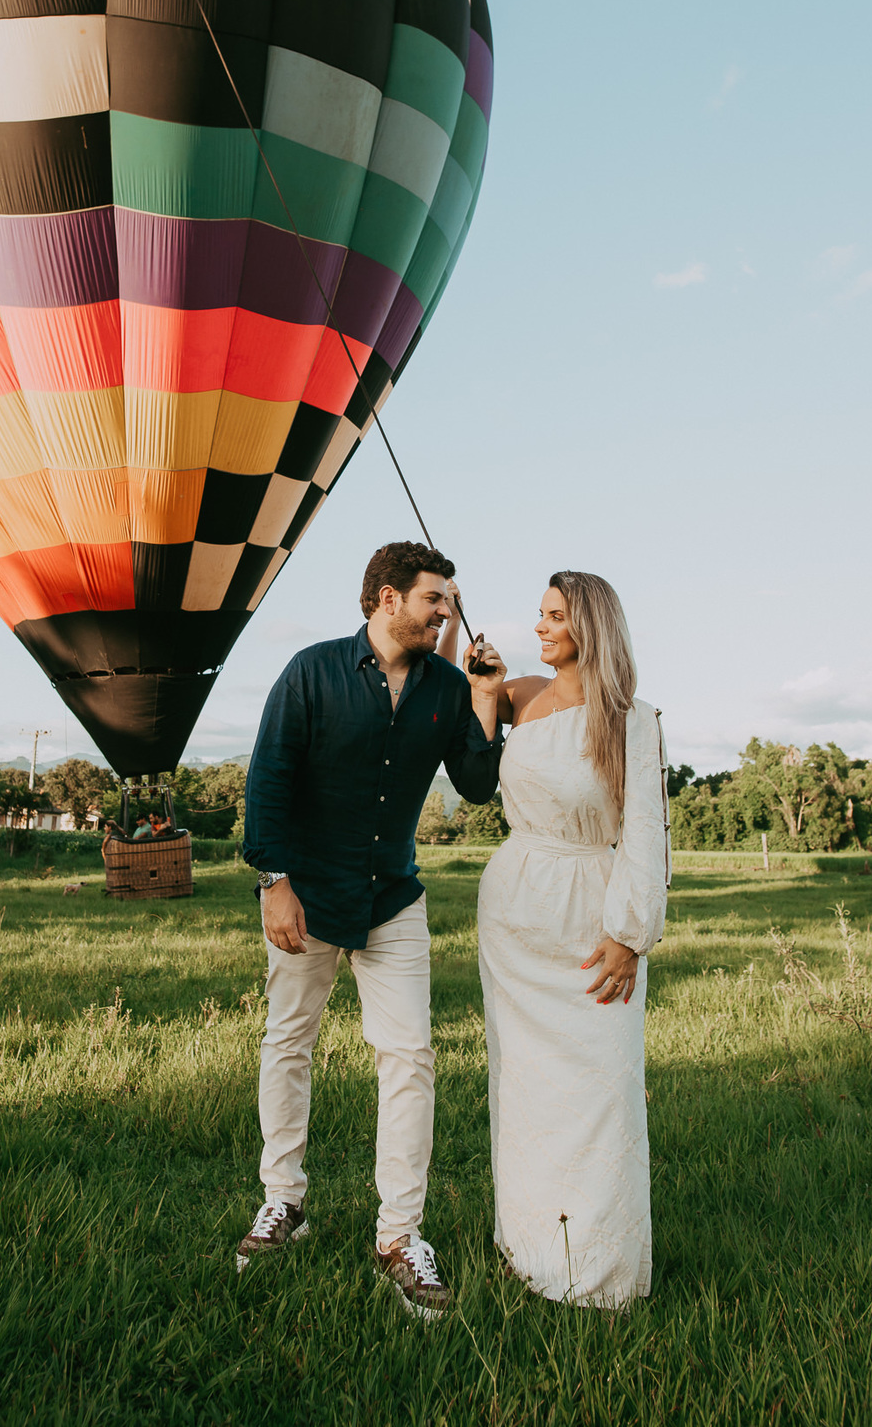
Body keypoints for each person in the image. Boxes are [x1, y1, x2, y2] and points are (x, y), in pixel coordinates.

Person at [237, 542, 506, 1319]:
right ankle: (283, 1202)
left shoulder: (447, 688)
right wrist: (274, 881)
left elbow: (478, 786)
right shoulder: (312, 671)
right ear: (387, 600)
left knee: (410, 1060)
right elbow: (269, 776)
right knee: (288, 1041)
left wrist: (485, 698)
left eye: (449, 599)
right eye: (435, 598)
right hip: (308, 897)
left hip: (393, 898)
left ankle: (399, 1236)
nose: (447, 611)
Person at [445, 570, 668, 1307]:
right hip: (513, 914)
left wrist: (629, 936)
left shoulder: (629, 718)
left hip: (589, 919)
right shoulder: (522, 696)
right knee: (524, 1088)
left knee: (599, 1090)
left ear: (591, 629)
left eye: (554, 618)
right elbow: (472, 774)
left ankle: (597, 1273)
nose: (539, 628)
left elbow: (645, 835)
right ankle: (529, 1247)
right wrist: (482, 691)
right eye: (538, 615)